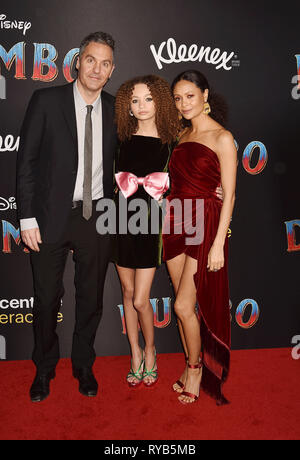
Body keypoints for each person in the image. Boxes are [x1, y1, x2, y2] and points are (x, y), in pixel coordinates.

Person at [16, 31, 117, 402]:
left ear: (112, 70)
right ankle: (43, 369)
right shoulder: (46, 100)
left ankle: (83, 366)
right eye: (91, 59)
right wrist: (26, 218)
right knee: (45, 300)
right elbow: (25, 162)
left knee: (91, 299)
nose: (97, 68)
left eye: (105, 63)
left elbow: (135, 163)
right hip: (49, 219)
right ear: (78, 61)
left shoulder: (115, 108)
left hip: (97, 218)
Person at [162, 70, 237, 405]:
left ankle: (196, 369)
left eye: (190, 95)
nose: (183, 103)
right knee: (183, 306)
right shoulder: (180, 135)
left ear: (205, 95)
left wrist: (219, 242)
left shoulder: (222, 137)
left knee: (181, 304)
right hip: (175, 222)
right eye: (178, 98)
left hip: (205, 224)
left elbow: (230, 194)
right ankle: (188, 363)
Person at [113, 75, 180, 387]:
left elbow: (187, 180)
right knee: (126, 293)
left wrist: (216, 191)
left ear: (160, 102)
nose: (141, 106)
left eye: (148, 99)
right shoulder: (121, 140)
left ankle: (151, 350)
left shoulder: (172, 142)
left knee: (141, 299)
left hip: (150, 224)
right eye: (135, 100)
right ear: (128, 104)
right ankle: (135, 353)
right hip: (119, 220)